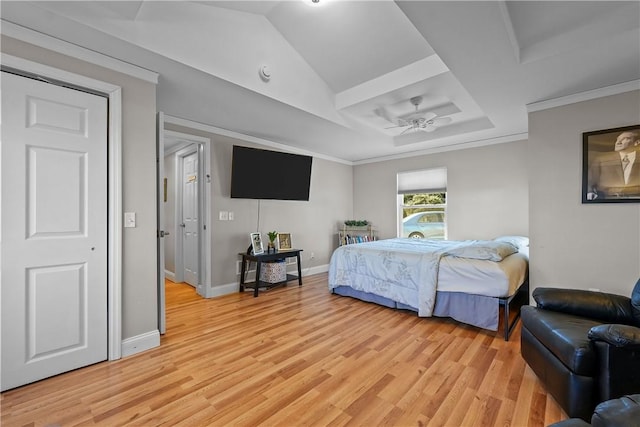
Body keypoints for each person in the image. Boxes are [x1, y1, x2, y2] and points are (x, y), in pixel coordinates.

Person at [587, 130, 640, 200]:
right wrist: (590, 194)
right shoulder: (601, 160)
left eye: (625, 138)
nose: (618, 142)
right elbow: (589, 183)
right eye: (618, 139)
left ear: (637, 142)